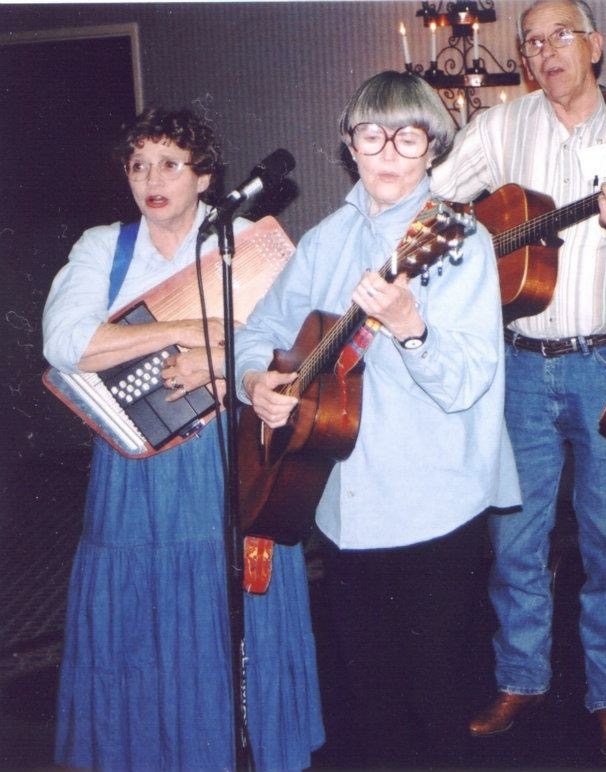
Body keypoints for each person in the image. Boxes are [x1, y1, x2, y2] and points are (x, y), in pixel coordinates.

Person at [429, 0, 606, 761]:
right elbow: (434, 203)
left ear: (595, 45)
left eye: (561, 36)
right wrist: (472, 253)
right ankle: (520, 678)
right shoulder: (499, 128)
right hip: (519, 362)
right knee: (514, 538)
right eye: (532, 41)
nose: (546, 51)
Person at [233, 70, 520, 768]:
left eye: (407, 137)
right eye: (372, 135)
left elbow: (468, 383)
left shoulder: (458, 239)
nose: (388, 152)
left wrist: (412, 327)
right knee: (368, 696)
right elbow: (258, 330)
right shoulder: (325, 239)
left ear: (432, 148)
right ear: (349, 145)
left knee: (436, 692)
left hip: (433, 500)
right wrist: (254, 381)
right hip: (341, 499)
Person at [43, 107, 325, 770]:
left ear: (204, 177)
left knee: (229, 603)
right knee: (139, 614)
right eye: (138, 165)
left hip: (229, 452)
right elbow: (66, 343)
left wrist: (218, 363)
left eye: (169, 164)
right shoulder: (102, 247)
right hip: (134, 466)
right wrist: (187, 331)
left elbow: (296, 349)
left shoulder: (246, 244)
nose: (151, 179)